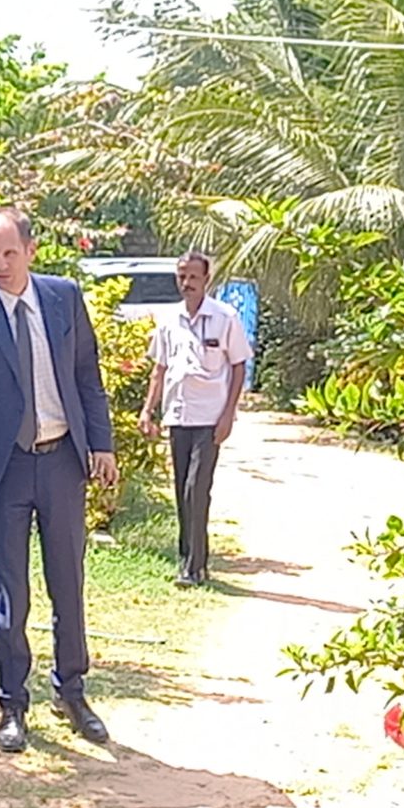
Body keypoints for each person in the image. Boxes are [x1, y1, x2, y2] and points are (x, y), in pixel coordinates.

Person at [0, 206, 117, 753]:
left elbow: (88, 376)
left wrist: (102, 444)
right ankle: (12, 704)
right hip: (6, 468)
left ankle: (72, 691)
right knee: (10, 593)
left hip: (62, 459)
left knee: (67, 581)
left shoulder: (63, 298)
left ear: (30, 251)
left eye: (8, 253)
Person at [140, 250, 251, 586]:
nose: (186, 283)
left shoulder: (224, 317)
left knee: (196, 489)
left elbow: (239, 365)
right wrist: (148, 410)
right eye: (182, 276)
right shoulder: (168, 319)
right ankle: (187, 559)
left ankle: (195, 566)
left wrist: (228, 415)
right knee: (181, 491)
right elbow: (159, 368)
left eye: (193, 277)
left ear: (206, 280)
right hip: (178, 415)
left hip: (209, 418)